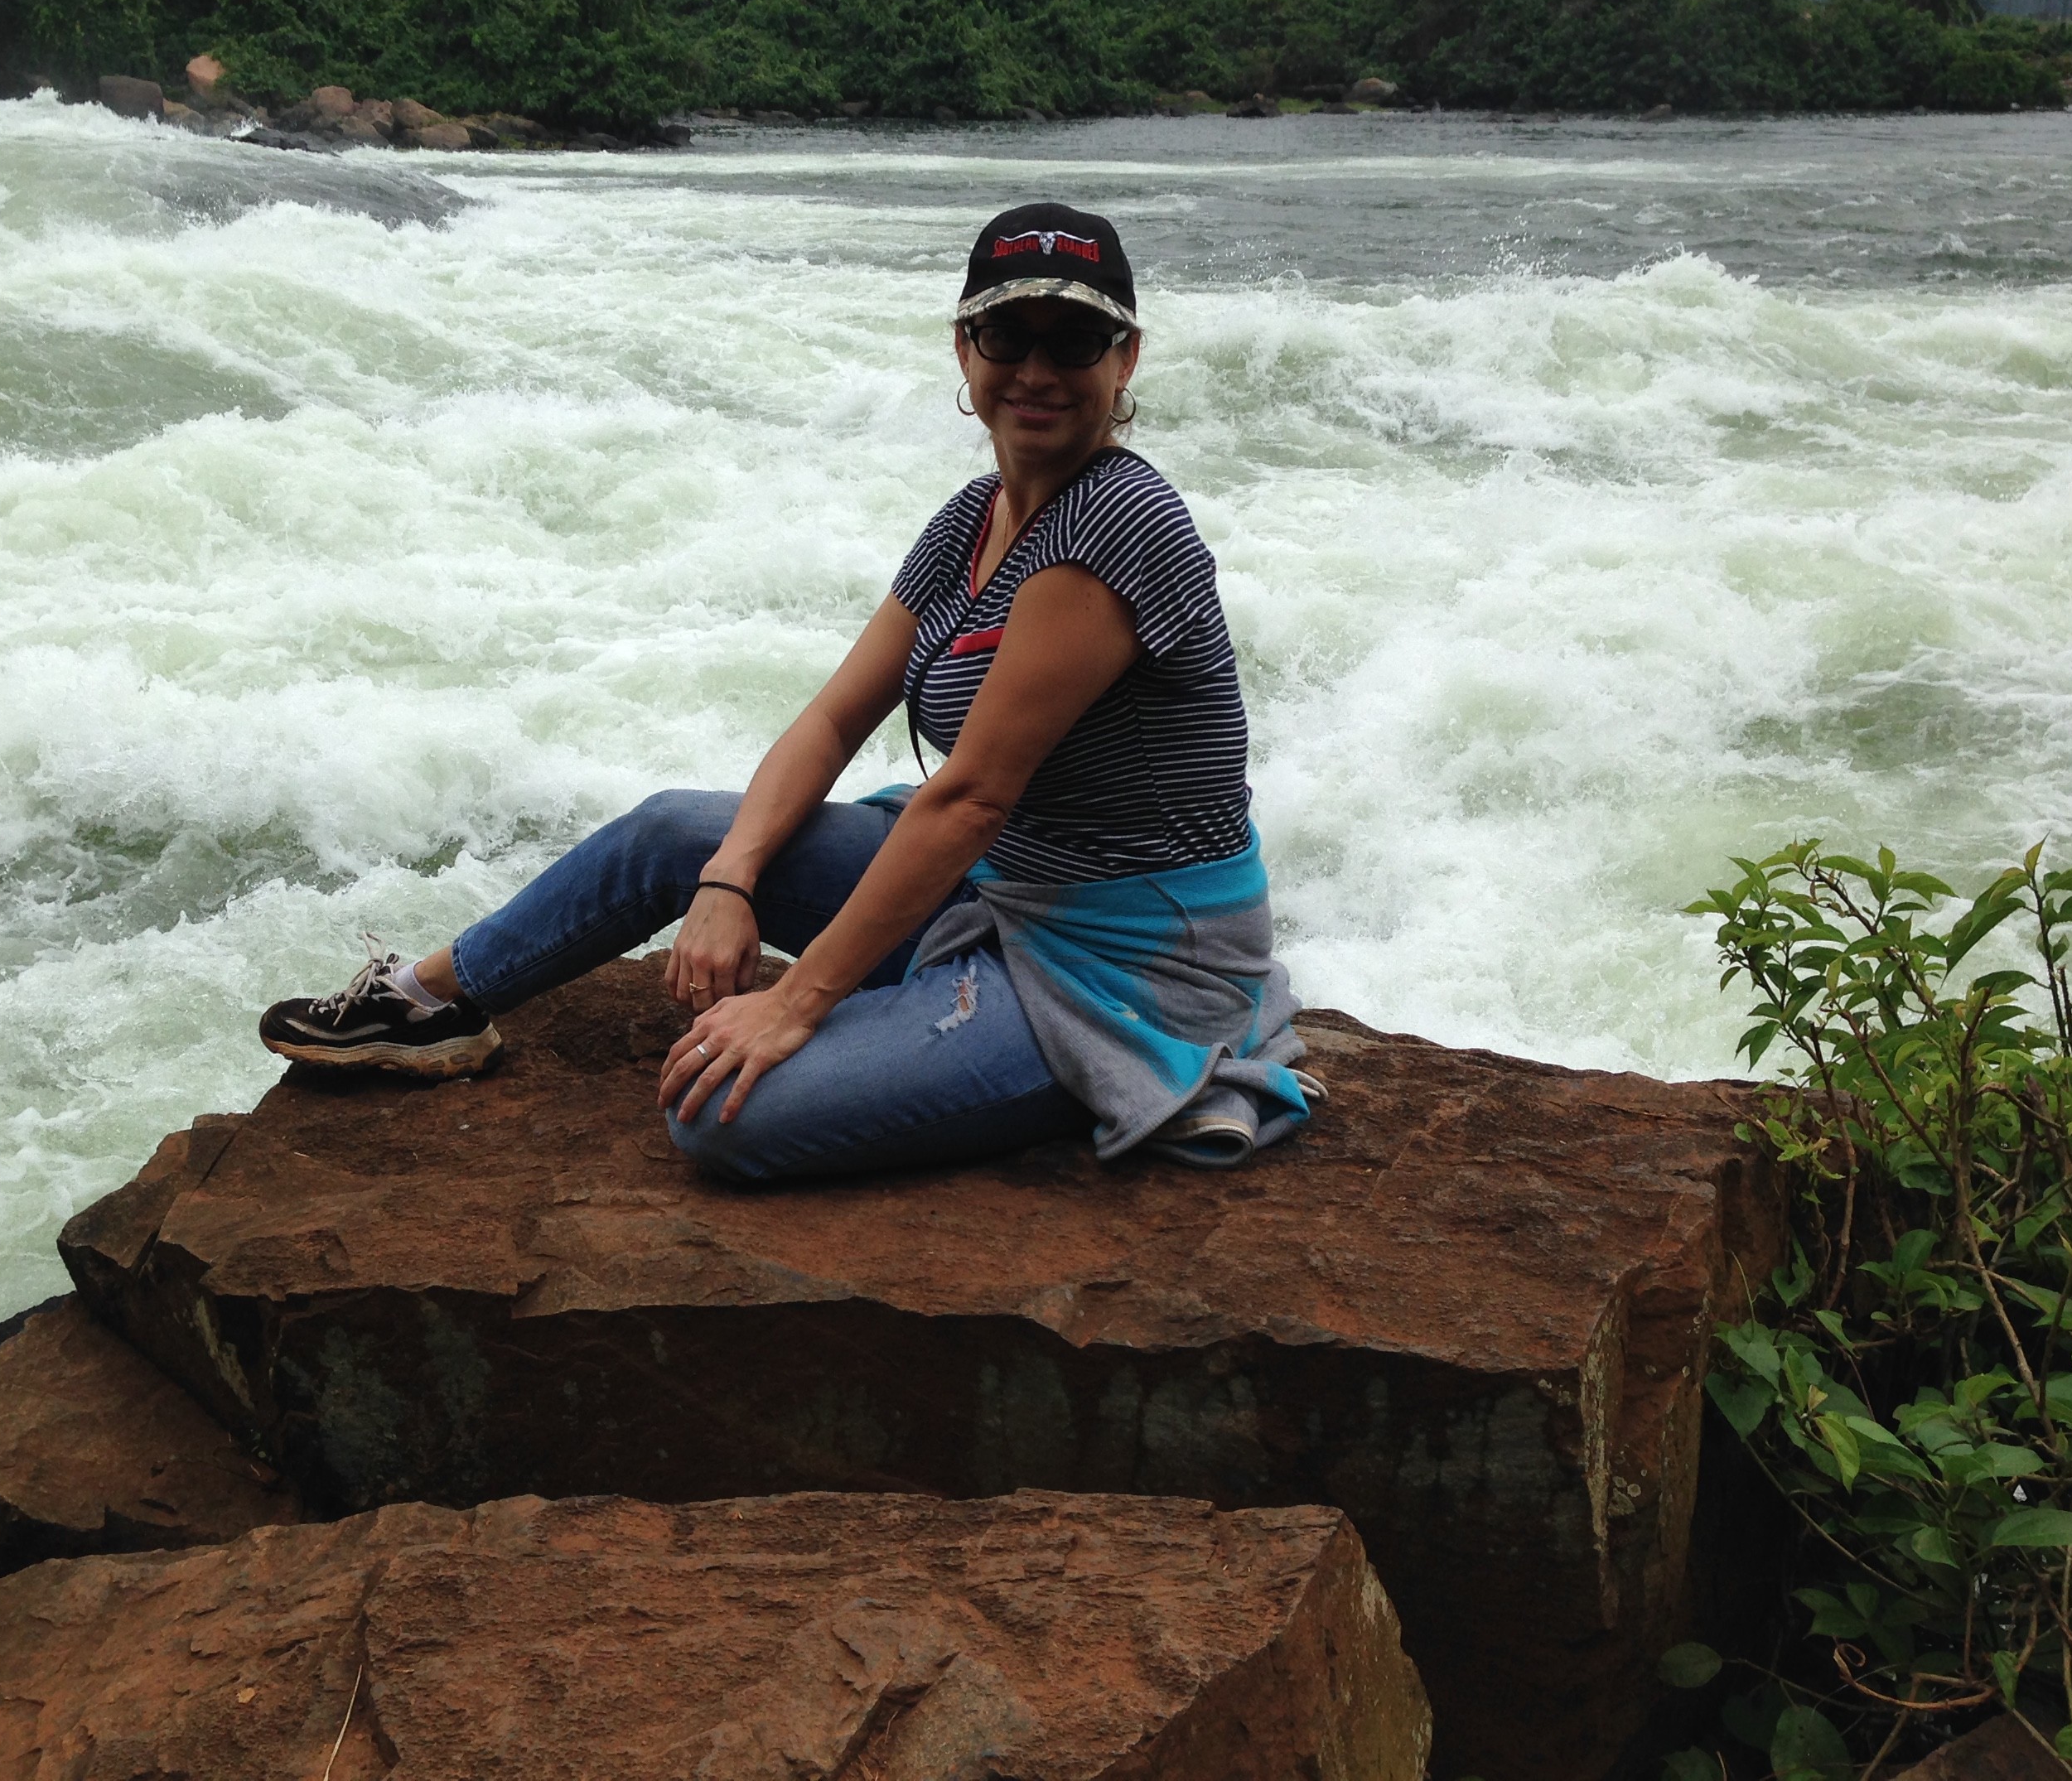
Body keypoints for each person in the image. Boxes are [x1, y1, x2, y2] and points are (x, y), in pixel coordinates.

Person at [258, 202, 1316, 1179]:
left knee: (723, 1113)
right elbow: (834, 716)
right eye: (1007, 336)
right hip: (1000, 888)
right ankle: (429, 1004)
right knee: (675, 833)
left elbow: (969, 798)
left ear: (1126, 357)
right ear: (965, 348)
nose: (1036, 371)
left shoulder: (1118, 523)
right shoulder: (975, 516)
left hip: (1119, 965)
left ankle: (1093, 1061)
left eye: (1075, 342)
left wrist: (797, 1003)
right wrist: (729, 881)